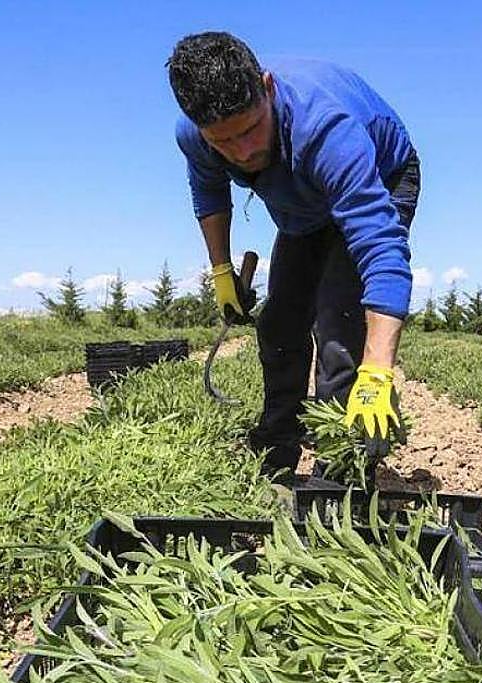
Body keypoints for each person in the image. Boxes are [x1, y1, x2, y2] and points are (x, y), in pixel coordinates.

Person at [168, 31, 420, 480]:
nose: (243, 153)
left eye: (249, 130)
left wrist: (378, 369)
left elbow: (381, 248)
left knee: (339, 329)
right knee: (280, 322)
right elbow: (209, 192)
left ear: (267, 88)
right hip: (301, 203)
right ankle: (276, 454)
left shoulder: (326, 130)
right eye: (225, 142)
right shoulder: (196, 134)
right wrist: (222, 272)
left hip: (381, 175)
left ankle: (340, 469)